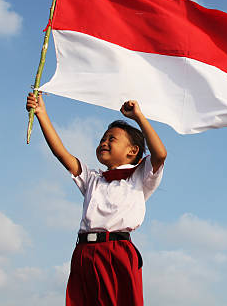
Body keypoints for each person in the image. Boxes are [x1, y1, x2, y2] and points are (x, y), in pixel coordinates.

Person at [26, 93, 167, 306]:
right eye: (103, 138)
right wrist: (41, 114)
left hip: (116, 251)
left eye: (112, 139)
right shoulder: (93, 178)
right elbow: (62, 154)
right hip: (84, 253)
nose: (104, 142)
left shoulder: (139, 176)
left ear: (133, 151)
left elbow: (160, 154)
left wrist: (138, 117)